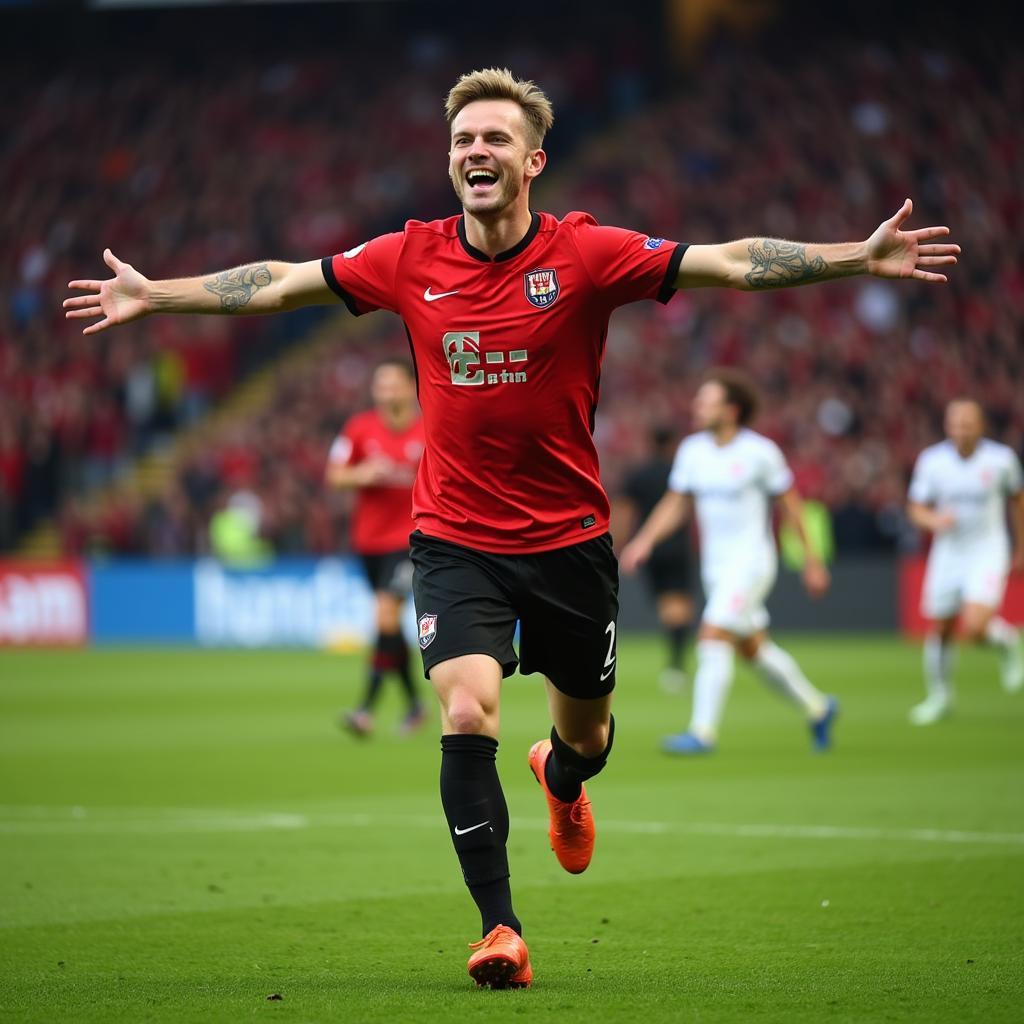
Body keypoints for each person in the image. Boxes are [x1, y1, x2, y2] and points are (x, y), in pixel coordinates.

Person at [64, 67, 959, 989]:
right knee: (464, 709)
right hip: (454, 537)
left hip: (570, 542)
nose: (474, 152)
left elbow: (729, 261)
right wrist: (156, 295)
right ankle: (500, 928)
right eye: (461, 141)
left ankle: (561, 780)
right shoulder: (409, 257)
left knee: (590, 741)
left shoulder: (587, 254)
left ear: (532, 159)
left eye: (493, 139)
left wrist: (858, 254)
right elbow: (282, 284)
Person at [621, 370, 837, 754]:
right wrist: (644, 541)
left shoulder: (760, 453)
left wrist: (812, 561)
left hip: (751, 564)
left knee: (713, 633)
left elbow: (792, 507)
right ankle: (818, 708)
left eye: (707, 401)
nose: (697, 407)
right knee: (753, 648)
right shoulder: (692, 451)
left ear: (731, 410)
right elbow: (677, 503)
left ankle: (702, 732)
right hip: (716, 569)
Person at [906, 399, 1024, 725]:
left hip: (987, 549)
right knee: (941, 627)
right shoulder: (932, 461)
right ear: (947, 427)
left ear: (981, 426)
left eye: (968, 424)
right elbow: (915, 507)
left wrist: (1022, 546)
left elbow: (1018, 501)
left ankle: (1008, 642)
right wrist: (933, 521)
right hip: (948, 552)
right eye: (956, 424)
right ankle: (939, 697)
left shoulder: (1001, 461)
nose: (962, 430)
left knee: (973, 627)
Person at [325, 358, 426, 737]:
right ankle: (415, 705)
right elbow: (334, 476)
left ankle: (365, 710)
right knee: (390, 626)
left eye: (393, 385)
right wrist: (361, 474)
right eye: (379, 386)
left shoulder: (429, 428)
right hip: (368, 542)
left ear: (409, 387)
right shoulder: (359, 429)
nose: (385, 393)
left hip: (411, 543)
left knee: (385, 616)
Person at [616, 426, 696, 692]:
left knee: (667, 605)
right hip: (678, 546)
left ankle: (675, 666)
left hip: (649, 546)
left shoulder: (639, 475)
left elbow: (626, 512)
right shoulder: (680, 473)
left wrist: (621, 544)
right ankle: (676, 665)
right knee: (679, 604)